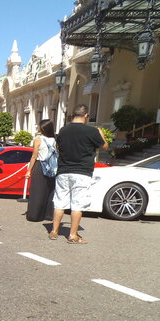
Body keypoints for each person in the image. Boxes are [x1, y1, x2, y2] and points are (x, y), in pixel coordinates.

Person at [50, 104, 108, 243]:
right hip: (82, 171)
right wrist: (101, 134)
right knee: (77, 204)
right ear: (86, 115)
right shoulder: (92, 131)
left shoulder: (63, 130)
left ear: (73, 115)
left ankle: (54, 231)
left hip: (63, 170)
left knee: (59, 202)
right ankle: (73, 235)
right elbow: (104, 146)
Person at [25, 119, 57, 222]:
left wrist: (29, 170)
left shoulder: (38, 139)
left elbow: (34, 156)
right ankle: (48, 214)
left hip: (40, 165)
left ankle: (34, 215)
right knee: (50, 191)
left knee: (37, 191)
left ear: (42, 128)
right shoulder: (55, 139)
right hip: (53, 166)